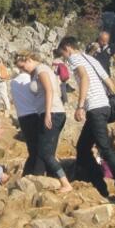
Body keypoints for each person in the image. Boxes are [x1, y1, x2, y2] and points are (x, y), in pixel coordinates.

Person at [58, 36, 115, 204]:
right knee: (83, 148)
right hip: (104, 106)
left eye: (63, 53)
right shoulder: (91, 58)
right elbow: (109, 82)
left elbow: (84, 78)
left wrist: (80, 106)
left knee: (105, 148)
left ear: (68, 48)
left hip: (95, 108)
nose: (64, 57)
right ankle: (98, 182)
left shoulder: (74, 58)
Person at [14, 52, 72, 193]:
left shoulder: (41, 69)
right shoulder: (36, 72)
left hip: (53, 113)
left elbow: (49, 90)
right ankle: (53, 180)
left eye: (23, 67)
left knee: (45, 152)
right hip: (52, 112)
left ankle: (65, 183)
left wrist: (47, 113)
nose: (23, 70)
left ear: (29, 60)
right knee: (48, 151)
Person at [10, 61, 44, 176]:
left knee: (32, 148)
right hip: (35, 114)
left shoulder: (13, 82)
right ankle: (36, 175)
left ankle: (27, 174)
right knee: (40, 149)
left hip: (22, 117)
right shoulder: (30, 79)